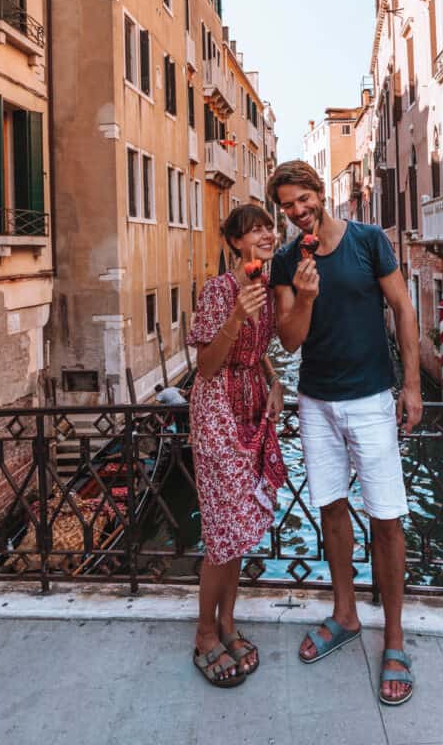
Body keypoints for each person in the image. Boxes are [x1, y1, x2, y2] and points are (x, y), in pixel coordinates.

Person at [267, 160, 422, 706]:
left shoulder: (368, 241)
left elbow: (403, 309)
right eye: (287, 205)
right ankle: (346, 615)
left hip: (375, 399)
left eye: (303, 198)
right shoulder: (286, 261)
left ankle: (396, 638)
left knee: (386, 516)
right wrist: (305, 297)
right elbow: (288, 341)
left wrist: (412, 386)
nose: (298, 211)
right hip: (316, 402)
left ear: (317, 192)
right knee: (331, 507)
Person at [187, 203, 286, 688]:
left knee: (241, 527)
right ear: (234, 244)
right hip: (217, 417)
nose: (266, 235)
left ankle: (228, 623)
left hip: (252, 412)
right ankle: (206, 633)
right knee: (222, 532)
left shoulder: (264, 292)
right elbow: (206, 366)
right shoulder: (219, 290)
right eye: (254, 231)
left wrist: (276, 383)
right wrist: (234, 315)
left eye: (269, 227)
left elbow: (259, 352)